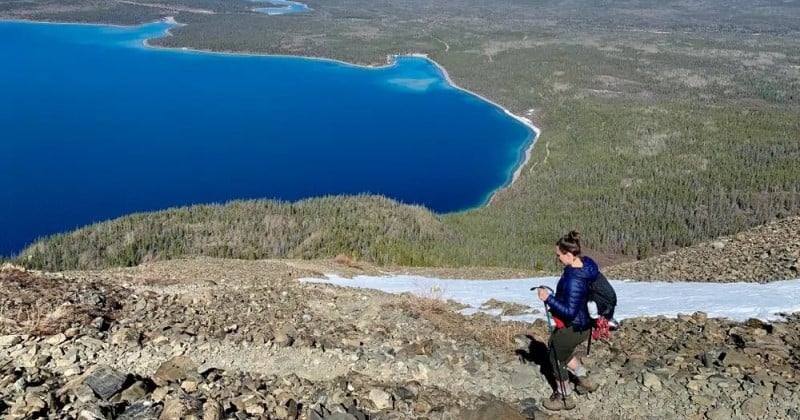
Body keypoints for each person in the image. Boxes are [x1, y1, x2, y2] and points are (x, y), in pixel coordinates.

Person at [537, 230, 600, 411]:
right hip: (586, 323)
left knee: (556, 357)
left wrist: (548, 298)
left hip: (574, 326)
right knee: (562, 351)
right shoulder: (586, 265)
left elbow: (570, 311)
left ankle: (565, 398)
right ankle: (585, 380)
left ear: (569, 254)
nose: (557, 258)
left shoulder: (574, 280)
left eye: (559, 255)